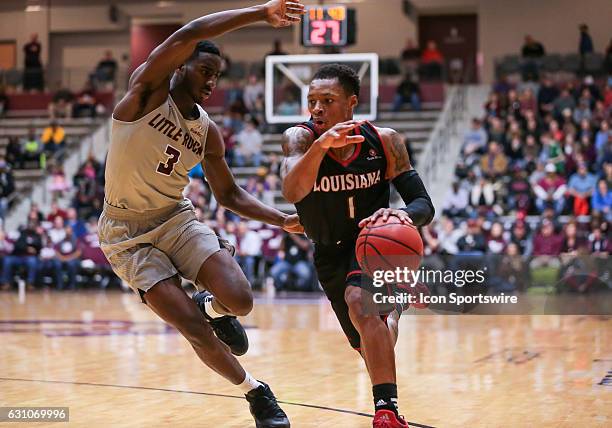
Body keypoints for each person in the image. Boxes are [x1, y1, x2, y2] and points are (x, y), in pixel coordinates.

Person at [97, 2, 304, 427]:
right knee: (192, 327)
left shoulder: (207, 132)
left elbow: (228, 194)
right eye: (204, 70)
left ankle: (213, 305)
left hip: (175, 219)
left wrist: (282, 220)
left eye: (216, 75)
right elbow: (189, 32)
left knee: (241, 301)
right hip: (126, 233)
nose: (211, 81)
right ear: (179, 66)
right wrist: (262, 12)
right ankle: (256, 392)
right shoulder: (146, 93)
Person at [280, 64, 434, 427]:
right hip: (328, 250)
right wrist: (321, 146)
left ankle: (386, 412)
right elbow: (292, 190)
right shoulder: (299, 140)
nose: (316, 109)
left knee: (360, 305)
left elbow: (423, 204)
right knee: (368, 341)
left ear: (351, 103)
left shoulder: (385, 140)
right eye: (312, 101)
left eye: (327, 101)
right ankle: (395, 309)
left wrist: (399, 217)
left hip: (370, 246)